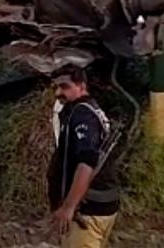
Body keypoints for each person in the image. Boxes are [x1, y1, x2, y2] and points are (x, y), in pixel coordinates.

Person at [47, 66, 118, 248]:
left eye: (64, 87)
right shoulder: (91, 111)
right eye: (56, 87)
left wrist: (69, 206)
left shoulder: (82, 115)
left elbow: (86, 162)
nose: (58, 93)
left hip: (86, 210)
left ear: (81, 86)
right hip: (99, 205)